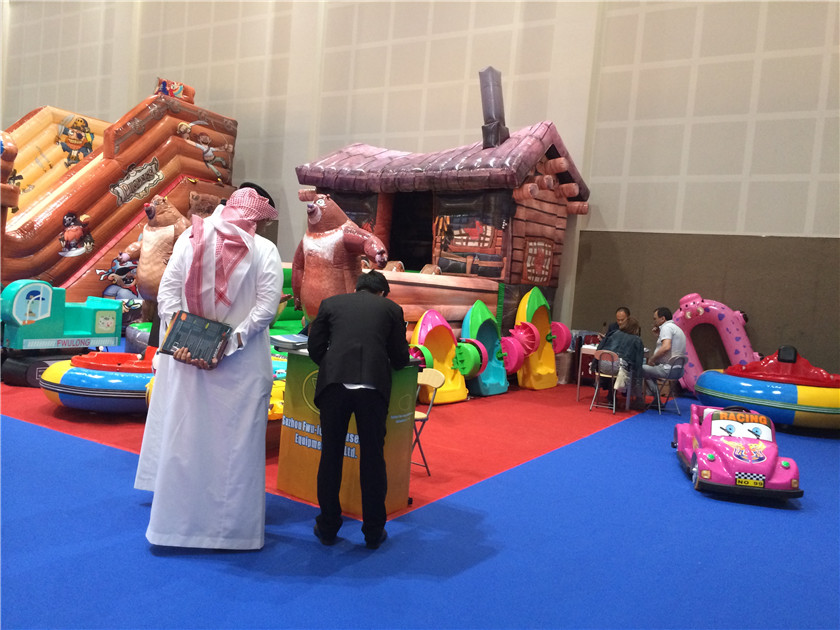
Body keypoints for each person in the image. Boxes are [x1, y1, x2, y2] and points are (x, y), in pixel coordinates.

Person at [134, 185, 282, 550]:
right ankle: (233, 534)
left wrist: (185, 341)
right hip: (242, 366)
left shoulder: (190, 239)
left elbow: (167, 296)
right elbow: (266, 310)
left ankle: (176, 527)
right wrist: (226, 345)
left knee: (186, 440)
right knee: (236, 448)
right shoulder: (264, 249)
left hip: (187, 360)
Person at [306, 270, 410, 550]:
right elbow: (401, 357)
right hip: (372, 389)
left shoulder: (331, 303)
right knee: (373, 459)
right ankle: (373, 532)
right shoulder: (391, 309)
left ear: (356, 288)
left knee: (330, 456)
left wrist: (335, 364)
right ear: (382, 293)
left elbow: (315, 347)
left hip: (334, 387)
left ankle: (327, 528)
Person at [642, 306, 687, 381]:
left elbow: (666, 347)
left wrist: (652, 359)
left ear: (662, 318)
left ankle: (644, 389)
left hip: (668, 369)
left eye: (655, 319)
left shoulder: (666, 327)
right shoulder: (676, 328)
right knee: (649, 371)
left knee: (638, 368)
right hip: (679, 369)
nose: (654, 321)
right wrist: (659, 336)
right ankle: (654, 389)